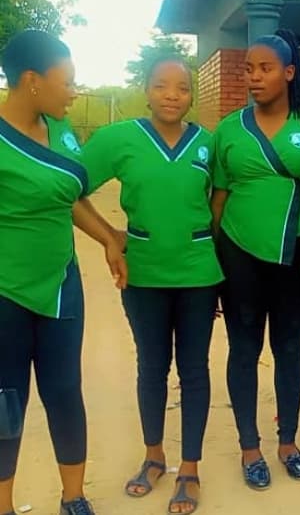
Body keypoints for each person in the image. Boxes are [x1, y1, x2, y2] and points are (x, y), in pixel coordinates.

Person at [80, 56, 223, 514]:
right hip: (143, 274)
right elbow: (66, 188)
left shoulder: (208, 144)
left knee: (194, 369)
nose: (172, 95)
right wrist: (109, 237)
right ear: (145, 89)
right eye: (161, 85)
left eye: (182, 87)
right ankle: (154, 457)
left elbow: (221, 204)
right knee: (152, 366)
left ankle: (190, 468)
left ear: (192, 95)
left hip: (198, 274)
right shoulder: (118, 139)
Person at [0, 29, 127, 515]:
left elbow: (66, 194)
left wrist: (109, 237)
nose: (74, 92)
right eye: (67, 81)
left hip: (60, 285)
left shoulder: (62, 129)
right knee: (6, 398)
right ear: (32, 80)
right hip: (6, 291)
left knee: (64, 391)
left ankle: (73, 498)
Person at [210, 30, 300, 490]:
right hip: (238, 254)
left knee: (290, 349)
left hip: (297, 255)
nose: (254, 77)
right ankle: (249, 447)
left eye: (265, 68)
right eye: (248, 69)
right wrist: (212, 265)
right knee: (243, 349)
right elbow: (218, 199)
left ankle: (288, 442)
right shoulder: (229, 130)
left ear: (290, 73)